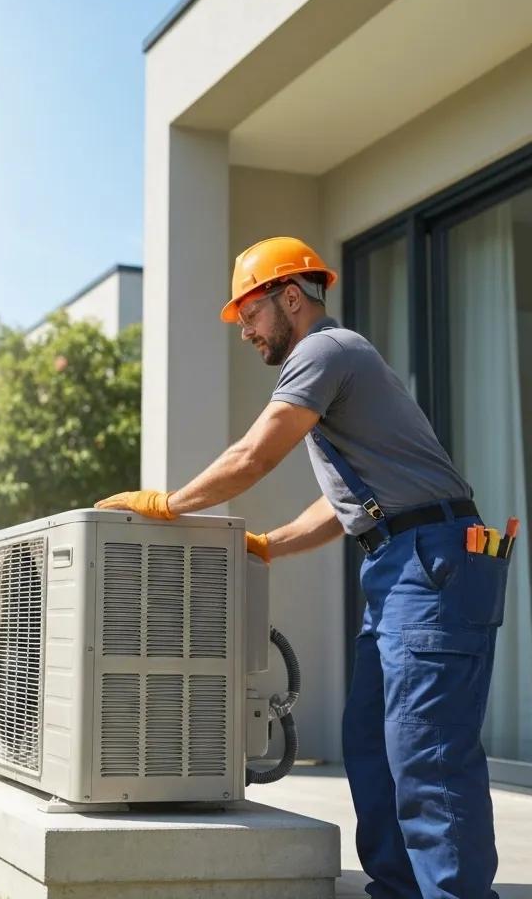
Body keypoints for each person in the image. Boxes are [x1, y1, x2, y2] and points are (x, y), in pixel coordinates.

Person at [96, 235, 506, 899]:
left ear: (291, 297)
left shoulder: (324, 350)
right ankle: (400, 890)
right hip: (404, 563)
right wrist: (268, 544)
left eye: (250, 314)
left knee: (428, 756)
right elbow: (352, 506)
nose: (246, 333)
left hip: (432, 567)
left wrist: (168, 505)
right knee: (372, 744)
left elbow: (255, 454)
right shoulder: (337, 367)